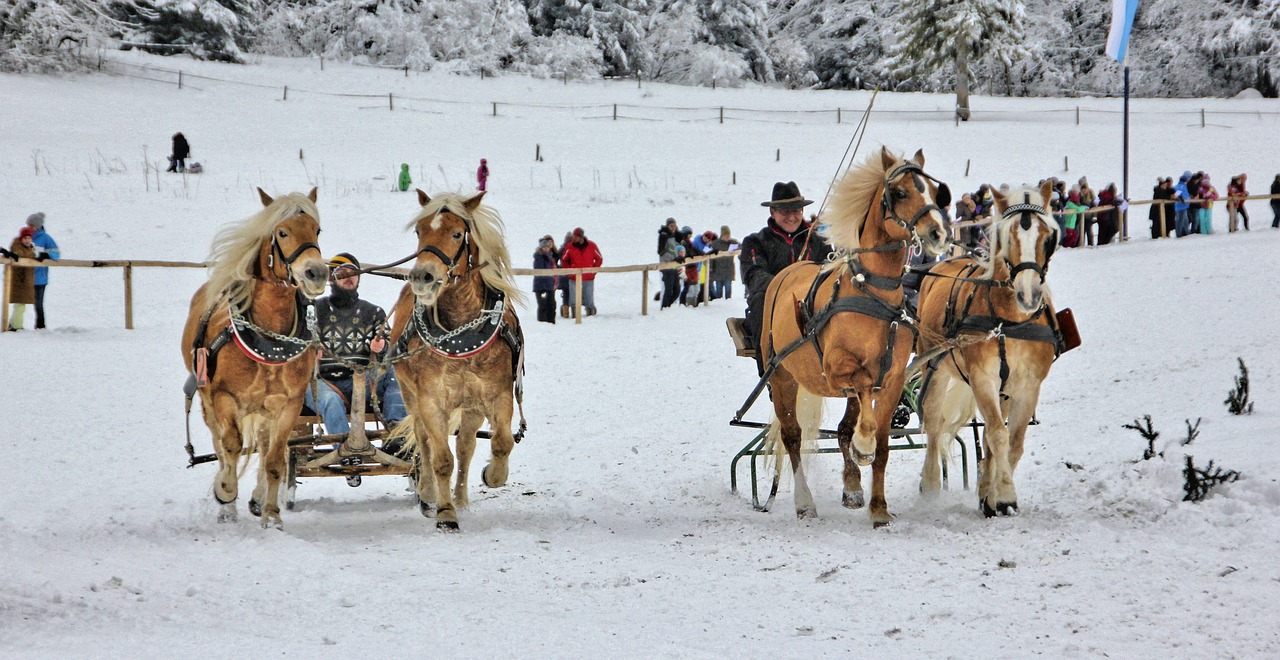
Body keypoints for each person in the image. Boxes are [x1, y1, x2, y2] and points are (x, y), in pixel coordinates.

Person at [305, 253, 407, 444]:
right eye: (342, 273)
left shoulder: (374, 313)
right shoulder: (313, 309)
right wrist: (309, 350)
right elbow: (295, 341)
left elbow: (391, 354)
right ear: (331, 278)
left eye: (353, 273)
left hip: (363, 382)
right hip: (321, 382)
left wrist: (382, 347)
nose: (349, 277)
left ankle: (397, 433)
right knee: (331, 401)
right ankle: (345, 450)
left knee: (396, 372)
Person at [739, 181, 833, 373]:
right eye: (784, 212)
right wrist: (788, 288)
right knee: (759, 301)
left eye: (796, 211)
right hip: (772, 305)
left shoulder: (818, 242)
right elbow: (754, 275)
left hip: (812, 302)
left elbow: (829, 270)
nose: (792, 217)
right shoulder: (755, 242)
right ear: (772, 212)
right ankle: (768, 370)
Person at [559, 227, 603, 317]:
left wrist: (593, 271)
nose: (574, 239)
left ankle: (590, 312)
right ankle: (575, 314)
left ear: (581, 237)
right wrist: (569, 271)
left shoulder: (592, 246)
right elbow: (564, 260)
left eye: (575, 237)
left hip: (588, 277)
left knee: (589, 296)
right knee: (573, 297)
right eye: (573, 237)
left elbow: (599, 259)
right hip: (573, 277)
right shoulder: (570, 246)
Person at [25, 212, 58, 329]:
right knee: (20, 301)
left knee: (38, 304)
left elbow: (56, 254)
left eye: (31, 225)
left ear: (37, 226)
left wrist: (44, 254)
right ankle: (15, 324)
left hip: (40, 278)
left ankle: (40, 326)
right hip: (25, 276)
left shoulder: (46, 238)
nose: (29, 227)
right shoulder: (26, 237)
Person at [4, 227, 36, 330]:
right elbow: (19, 254)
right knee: (20, 305)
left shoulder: (30, 248)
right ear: (21, 239)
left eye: (29, 238)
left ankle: (13, 323)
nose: (27, 240)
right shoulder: (18, 246)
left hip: (24, 280)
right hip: (19, 281)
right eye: (25, 238)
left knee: (20, 304)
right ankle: (16, 326)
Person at [708, 225, 740, 300]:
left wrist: (735, 249)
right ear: (722, 235)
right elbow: (709, 254)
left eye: (728, 235)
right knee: (718, 289)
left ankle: (728, 303)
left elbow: (742, 246)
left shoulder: (733, 242)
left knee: (728, 288)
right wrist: (711, 268)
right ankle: (718, 303)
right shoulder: (715, 243)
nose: (727, 237)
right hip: (718, 270)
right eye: (725, 235)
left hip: (729, 270)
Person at [532, 236, 559, 324]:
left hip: (549, 284)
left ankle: (551, 321)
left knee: (551, 304)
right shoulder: (539, 257)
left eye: (547, 247)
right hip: (541, 285)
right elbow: (540, 269)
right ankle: (542, 322)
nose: (546, 249)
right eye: (544, 247)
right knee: (542, 305)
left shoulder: (550, 256)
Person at [658, 241, 682, 309]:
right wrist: (674, 258)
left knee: (677, 291)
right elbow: (662, 252)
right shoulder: (665, 239)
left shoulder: (674, 240)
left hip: (674, 268)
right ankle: (664, 307)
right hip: (667, 269)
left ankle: (668, 306)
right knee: (668, 290)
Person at [557, 231, 574, 317]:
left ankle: (567, 310)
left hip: (568, 274)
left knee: (567, 292)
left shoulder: (563, 249)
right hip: (566, 275)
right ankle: (566, 310)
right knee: (567, 292)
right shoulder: (564, 249)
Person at [1173, 172, 1193, 237]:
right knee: (1180, 221)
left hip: (1181, 206)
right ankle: (1179, 233)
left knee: (1185, 220)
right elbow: (1179, 195)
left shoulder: (1178, 186)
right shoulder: (1181, 187)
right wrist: (1186, 199)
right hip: (1181, 206)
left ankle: (1185, 232)